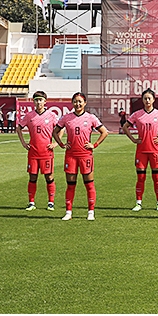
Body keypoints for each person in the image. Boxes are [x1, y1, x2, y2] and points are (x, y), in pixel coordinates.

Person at [52, 92, 109, 221]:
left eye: (80, 101)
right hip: (71, 155)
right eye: (75, 101)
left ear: (85, 103)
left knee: (89, 184)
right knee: (70, 184)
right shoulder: (66, 118)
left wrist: (94, 144)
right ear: (72, 103)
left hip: (85, 155)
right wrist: (60, 143)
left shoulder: (91, 117)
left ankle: (90, 212)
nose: (77, 104)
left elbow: (104, 132)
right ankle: (68, 212)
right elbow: (55, 131)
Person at [122, 89, 158, 212]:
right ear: (142, 100)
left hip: (155, 150)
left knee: (157, 178)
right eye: (145, 98)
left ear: (153, 100)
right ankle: (138, 203)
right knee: (141, 178)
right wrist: (133, 139)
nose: (147, 101)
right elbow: (125, 126)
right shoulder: (137, 114)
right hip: (141, 150)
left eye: (149, 98)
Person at [16, 90, 59, 211]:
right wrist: (24, 143)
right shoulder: (29, 116)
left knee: (49, 177)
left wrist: (56, 143)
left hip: (46, 152)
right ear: (33, 102)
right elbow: (18, 128)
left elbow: (60, 129)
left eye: (40, 100)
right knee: (32, 177)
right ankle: (31, 202)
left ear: (45, 101)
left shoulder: (51, 115)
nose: (38, 102)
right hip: (33, 152)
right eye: (36, 100)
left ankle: (51, 202)